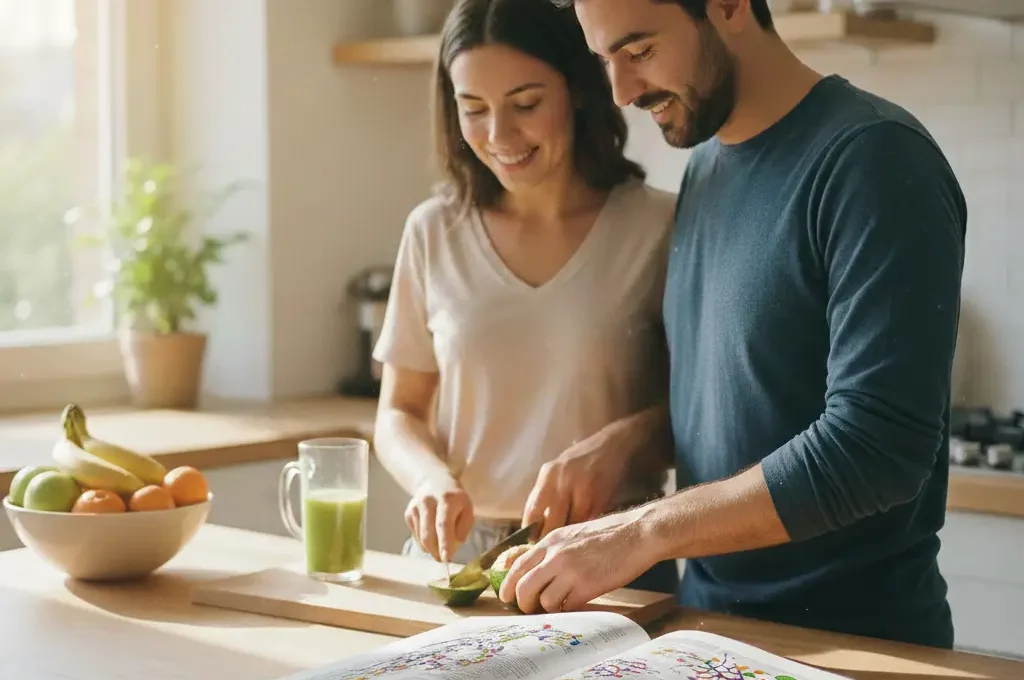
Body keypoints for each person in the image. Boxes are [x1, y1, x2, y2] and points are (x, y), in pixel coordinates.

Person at [499, 0, 968, 649]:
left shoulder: (875, 159)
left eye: (638, 53)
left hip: (852, 647)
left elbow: (877, 448)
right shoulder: (708, 166)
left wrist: (640, 532)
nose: (623, 91)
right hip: (708, 632)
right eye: (606, 61)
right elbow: (745, 393)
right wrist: (628, 445)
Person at [371, 0, 680, 594]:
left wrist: (619, 445)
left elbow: (702, 413)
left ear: (579, 90)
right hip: (460, 561)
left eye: (526, 104)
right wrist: (430, 479)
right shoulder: (434, 231)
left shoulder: (660, 229)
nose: (499, 136)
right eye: (474, 110)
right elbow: (399, 411)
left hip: (608, 556)